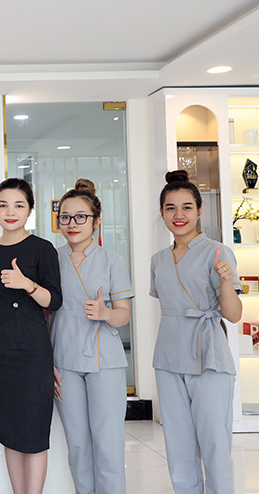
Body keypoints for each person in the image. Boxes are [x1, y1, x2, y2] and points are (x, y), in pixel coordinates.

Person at [151, 170, 242, 494]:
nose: (179, 215)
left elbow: (233, 315)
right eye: (171, 208)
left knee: (215, 443)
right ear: (162, 212)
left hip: (209, 356)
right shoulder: (159, 260)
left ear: (200, 211)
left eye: (187, 207)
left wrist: (227, 281)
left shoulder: (217, 251)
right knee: (178, 446)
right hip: (168, 356)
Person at [0, 177, 62, 494]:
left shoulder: (42, 249)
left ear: (29, 210)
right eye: (3, 205)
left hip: (33, 351)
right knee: (9, 432)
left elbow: (54, 300)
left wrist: (27, 284)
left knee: (35, 435)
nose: (11, 212)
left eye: (19, 205)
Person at [51, 179, 133, 494]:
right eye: (66, 217)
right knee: (77, 445)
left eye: (81, 217)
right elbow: (44, 314)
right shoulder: (52, 259)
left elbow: (124, 314)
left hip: (105, 360)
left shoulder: (112, 261)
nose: (72, 224)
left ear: (96, 221)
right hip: (64, 358)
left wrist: (105, 313)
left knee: (108, 444)